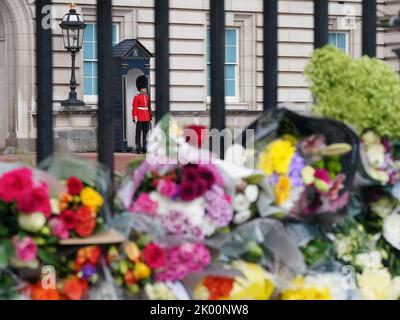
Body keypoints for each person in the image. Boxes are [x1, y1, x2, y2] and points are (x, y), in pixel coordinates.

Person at [132, 75, 152, 154]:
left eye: (145, 88)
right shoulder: (137, 97)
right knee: (138, 133)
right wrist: (135, 117)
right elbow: (135, 108)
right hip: (139, 117)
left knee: (146, 133)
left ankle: (145, 147)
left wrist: (150, 115)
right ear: (140, 89)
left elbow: (148, 107)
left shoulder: (147, 97)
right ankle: (138, 147)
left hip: (146, 117)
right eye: (143, 88)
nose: (145, 89)